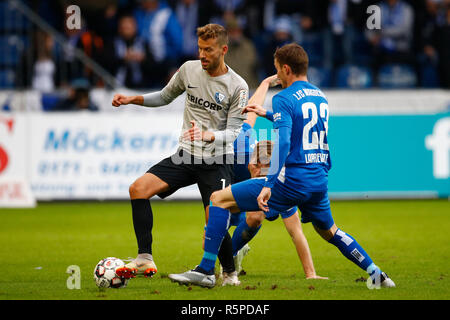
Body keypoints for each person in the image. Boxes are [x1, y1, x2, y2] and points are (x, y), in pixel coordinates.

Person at [168, 43, 396, 289]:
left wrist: (269, 183)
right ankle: (377, 274)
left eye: (277, 70)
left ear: (286, 69)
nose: (277, 75)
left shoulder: (284, 97)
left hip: (292, 180)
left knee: (218, 199)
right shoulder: (320, 96)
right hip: (318, 178)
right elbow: (302, 126)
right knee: (330, 231)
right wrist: (267, 114)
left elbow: (285, 141)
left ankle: (206, 270)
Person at [111, 24, 249, 285]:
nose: (202, 55)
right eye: (200, 49)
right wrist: (133, 99)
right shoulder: (188, 69)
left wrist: (209, 135)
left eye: (208, 50)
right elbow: (164, 97)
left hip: (217, 161)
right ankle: (144, 257)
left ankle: (230, 274)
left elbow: (233, 132)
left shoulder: (237, 86)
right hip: (186, 156)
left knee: (214, 220)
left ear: (224, 50)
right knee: (138, 189)